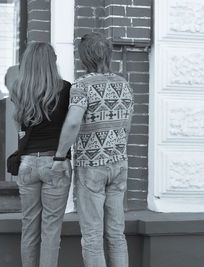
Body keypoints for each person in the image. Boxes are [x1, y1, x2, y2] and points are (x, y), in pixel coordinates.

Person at [52, 32, 134, 267]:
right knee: (117, 234)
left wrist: (60, 155)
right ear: (107, 55)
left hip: (92, 166)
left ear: (83, 58)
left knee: (92, 237)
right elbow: (127, 126)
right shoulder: (124, 84)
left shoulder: (82, 86)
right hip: (119, 163)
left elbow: (74, 122)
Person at [10, 42, 72, 267]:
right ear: (52, 61)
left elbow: (20, 127)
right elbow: (71, 125)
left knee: (29, 227)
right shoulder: (65, 89)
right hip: (55, 162)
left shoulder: (19, 88)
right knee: (51, 229)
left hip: (27, 163)